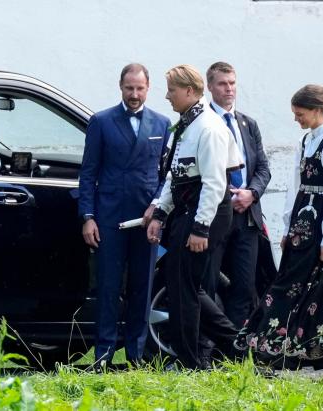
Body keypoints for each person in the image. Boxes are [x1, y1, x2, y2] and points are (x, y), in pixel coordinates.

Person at [234, 85, 323, 379]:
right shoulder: (307, 141)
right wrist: (290, 227)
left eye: (299, 113)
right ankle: (281, 355)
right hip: (303, 229)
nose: (296, 119)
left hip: (322, 229)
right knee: (291, 287)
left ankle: (283, 356)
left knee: (322, 292)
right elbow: (296, 187)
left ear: (316, 110)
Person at [147, 64, 242, 370]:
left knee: (184, 287)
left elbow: (215, 183)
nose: (167, 96)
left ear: (189, 91)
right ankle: (235, 346)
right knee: (185, 286)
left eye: (171, 90)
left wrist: (200, 228)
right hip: (189, 208)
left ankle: (192, 361)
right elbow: (178, 176)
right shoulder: (189, 123)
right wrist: (160, 214)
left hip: (207, 212)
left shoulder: (209, 127)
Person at [78, 63, 171, 367]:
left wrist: (157, 206)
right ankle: (103, 353)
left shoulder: (162, 123)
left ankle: (136, 354)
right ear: (121, 87)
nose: (134, 94)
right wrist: (88, 216)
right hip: (109, 217)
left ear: (148, 87)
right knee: (108, 286)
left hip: (146, 220)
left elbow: (165, 175)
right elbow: (89, 172)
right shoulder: (102, 121)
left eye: (140, 88)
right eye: (129, 88)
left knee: (142, 287)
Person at [204, 61, 271, 328]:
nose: (229, 89)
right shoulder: (203, 123)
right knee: (207, 284)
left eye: (232, 83)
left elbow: (264, 168)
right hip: (216, 214)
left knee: (244, 285)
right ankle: (206, 346)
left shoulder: (248, 124)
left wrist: (251, 193)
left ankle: (234, 348)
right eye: (222, 83)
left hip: (247, 216)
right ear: (210, 87)